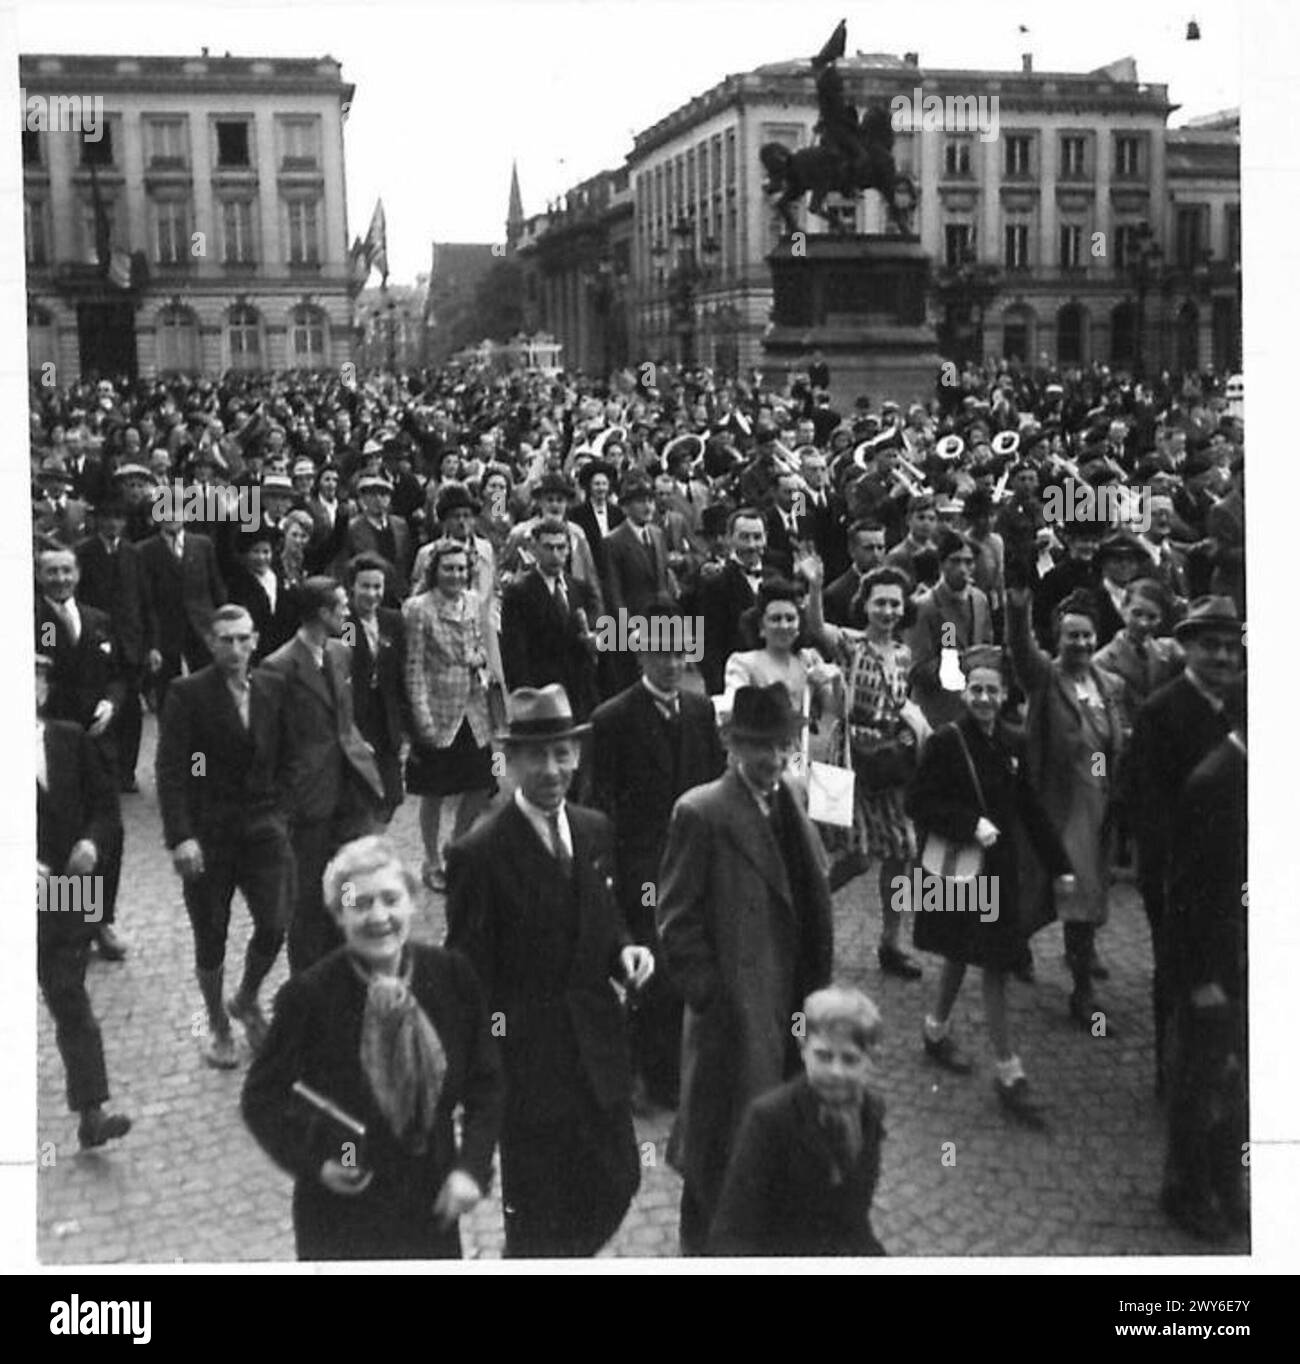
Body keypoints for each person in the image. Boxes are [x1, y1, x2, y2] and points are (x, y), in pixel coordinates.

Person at [445, 685, 652, 1257]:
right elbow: (467, 978)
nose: (552, 769)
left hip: (596, 1048)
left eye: (562, 753)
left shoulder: (593, 829)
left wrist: (625, 953)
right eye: (536, 756)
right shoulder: (478, 854)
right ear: (509, 763)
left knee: (620, 1179)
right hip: (530, 1069)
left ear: (577, 755)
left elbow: (605, 920)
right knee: (540, 1217)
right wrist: (485, 1075)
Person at [242, 836, 505, 1260]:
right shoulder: (307, 998)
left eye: (390, 899)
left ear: (412, 903)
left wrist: (471, 1167)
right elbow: (261, 1099)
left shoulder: (452, 976)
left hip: (431, 1203)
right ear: (338, 917)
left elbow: (486, 1083)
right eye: (360, 904)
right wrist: (317, 1164)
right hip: (343, 1211)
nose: (379, 916)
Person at [656, 682, 834, 1253]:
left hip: (792, 1008)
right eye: (761, 746)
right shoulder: (701, 812)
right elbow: (675, 922)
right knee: (717, 1145)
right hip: (735, 1017)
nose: (775, 759)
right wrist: (714, 998)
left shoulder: (794, 796)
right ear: (731, 743)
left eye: (784, 746)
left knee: (773, 1137)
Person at [906, 645, 1074, 1128]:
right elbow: (918, 803)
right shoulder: (944, 742)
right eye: (975, 689)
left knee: (982, 957)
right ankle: (1009, 1073)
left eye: (991, 691)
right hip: (960, 870)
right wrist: (968, 822)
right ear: (965, 694)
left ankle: (936, 1031)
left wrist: (1059, 865)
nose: (982, 698)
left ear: (1003, 696)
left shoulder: (1011, 742)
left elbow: (1030, 808)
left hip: (998, 872)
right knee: (984, 958)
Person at [589, 600, 727, 1109]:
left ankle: (684, 1064)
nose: (672, 665)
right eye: (661, 653)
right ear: (640, 653)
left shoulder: (699, 709)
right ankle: (655, 1072)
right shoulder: (612, 719)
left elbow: (715, 782)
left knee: (693, 954)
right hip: (641, 864)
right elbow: (599, 804)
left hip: (693, 858)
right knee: (654, 965)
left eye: (680, 654)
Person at [155, 605, 293, 1067]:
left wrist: (283, 811)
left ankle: (247, 996)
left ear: (255, 640)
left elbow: (288, 754)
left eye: (243, 638)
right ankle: (217, 1023)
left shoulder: (273, 687)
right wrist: (181, 837)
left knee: (275, 923)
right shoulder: (188, 693)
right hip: (209, 835)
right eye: (225, 640)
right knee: (211, 933)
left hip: (263, 827)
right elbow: (171, 770)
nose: (235, 648)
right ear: (211, 644)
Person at [1124, 595, 1242, 1092]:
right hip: (1176, 870)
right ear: (1188, 648)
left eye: (1230, 649)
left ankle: (1217, 1061)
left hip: (1230, 869)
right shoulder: (1161, 711)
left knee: (1223, 962)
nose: (1221, 658)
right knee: (1176, 966)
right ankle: (1171, 1070)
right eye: (1210, 646)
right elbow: (1147, 804)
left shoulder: (1238, 706)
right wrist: (1165, 873)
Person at [1007, 585, 1124, 1022]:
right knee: (1069, 891)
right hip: (1057, 804)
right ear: (1058, 639)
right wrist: (1019, 609)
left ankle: (1056, 961)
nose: (1081, 643)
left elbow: (1104, 744)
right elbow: (1021, 651)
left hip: (1097, 805)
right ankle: (1081, 993)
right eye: (1072, 635)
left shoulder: (1105, 683)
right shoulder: (1045, 678)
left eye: (1088, 636)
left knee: (1079, 894)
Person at [260, 577, 386, 973]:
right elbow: (267, 745)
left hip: (351, 789)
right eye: (341, 606)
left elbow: (347, 716)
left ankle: (351, 972)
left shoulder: (340, 652)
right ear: (321, 613)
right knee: (310, 901)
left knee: (354, 885)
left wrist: (360, 747)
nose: (348, 612)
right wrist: (282, 802)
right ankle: (309, 986)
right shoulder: (278, 667)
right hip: (308, 799)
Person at [810, 565, 928, 977]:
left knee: (901, 851)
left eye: (895, 603)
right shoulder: (850, 643)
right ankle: (809, 908)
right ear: (866, 604)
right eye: (880, 602)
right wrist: (812, 585)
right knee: (857, 857)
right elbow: (815, 627)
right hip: (851, 757)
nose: (888, 610)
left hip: (889, 761)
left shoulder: (904, 654)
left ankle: (891, 944)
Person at [1161, 686, 1247, 1242]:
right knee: (1199, 1083)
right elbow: (1185, 895)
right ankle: (1184, 1190)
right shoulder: (1214, 781)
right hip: (1209, 969)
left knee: (1236, 1081)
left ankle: (1226, 1182)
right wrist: (1199, 980)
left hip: (1239, 960)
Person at [710, 986, 887, 1257]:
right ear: (803, 1050)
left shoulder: (870, 1113)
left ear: (869, 1061)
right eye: (824, 1056)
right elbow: (733, 1232)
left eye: (850, 1059)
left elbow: (853, 1218)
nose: (836, 1072)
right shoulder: (769, 1119)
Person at [37, 653, 131, 1149]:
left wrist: (93, 842)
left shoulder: (70, 740)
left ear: (42, 691)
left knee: (71, 999)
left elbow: (106, 807)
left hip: (68, 892)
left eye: (31, 682)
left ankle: (92, 1113)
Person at [34, 544, 129, 960]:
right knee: (64, 834)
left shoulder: (98, 620)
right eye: (51, 572)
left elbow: (120, 673)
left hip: (98, 742)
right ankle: (75, 926)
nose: (60, 579)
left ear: (78, 573)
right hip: (58, 745)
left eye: (66, 571)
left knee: (109, 831)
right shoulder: (33, 622)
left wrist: (112, 701)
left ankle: (101, 919)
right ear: (40, 577)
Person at [403, 539, 497, 891]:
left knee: (481, 782)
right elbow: (412, 667)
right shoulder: (418, 608)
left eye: (461, 568)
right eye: (449, 568)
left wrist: (479, 660)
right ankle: (431, 859)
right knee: (435, 790)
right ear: (434, 571)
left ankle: (455, 845)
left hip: (473, 707)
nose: (456, 575)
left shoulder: (473, 601)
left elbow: (478, 645)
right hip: (438, 707)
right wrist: (420, 717)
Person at [500, 516, 601, 723]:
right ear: (534, 549)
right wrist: (527, 700)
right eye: (548, 548)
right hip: (543, 696)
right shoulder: (519, 593)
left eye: (560, 547)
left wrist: (595, 642)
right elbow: (515, 655)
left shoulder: (579, 589)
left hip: (580, 694)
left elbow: (596, 635)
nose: (555, 555)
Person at [907, 529, 994, 730]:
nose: (963, 569)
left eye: (968, 562)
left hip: (972, 709)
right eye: (955, 561)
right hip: (936, 712)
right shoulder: (925, 606)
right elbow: (917, 669)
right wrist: (962, 663)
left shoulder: (980, 600)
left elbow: (986, 645)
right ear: (942, 564)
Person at [347, 552, 407, 824]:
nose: (372, 594)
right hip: (357, 716)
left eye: (377, 587)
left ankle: (375, 835)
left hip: (387, 716)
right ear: (352, 587)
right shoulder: (345, 623)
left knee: (393, 794)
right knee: (361, 793)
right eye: (365, 586)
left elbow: (401, 672)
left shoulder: (393, 621)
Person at [697, 507, 770, 694]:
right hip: (735, 686)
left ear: (766, 538)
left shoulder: (776, 576)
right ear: (730, 539)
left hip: (773, 683)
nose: (752, 545)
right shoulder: (715, 584)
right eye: (744, 537)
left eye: (757, 537)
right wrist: (719, 693)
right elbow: (708, 646)